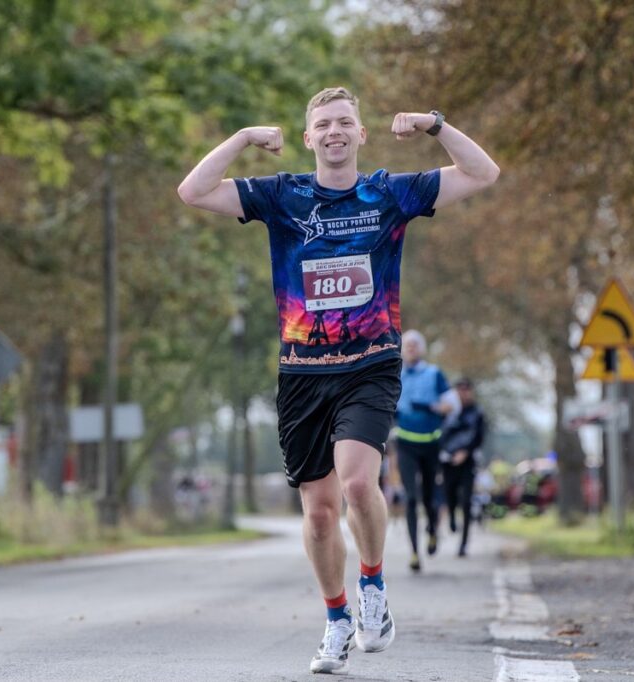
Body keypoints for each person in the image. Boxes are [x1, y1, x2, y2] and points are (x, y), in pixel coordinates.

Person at [177, 86, 499, 675]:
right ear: (308, 138)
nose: (334, 131)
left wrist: (435, 124)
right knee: (320, 513)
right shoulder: (282, 196)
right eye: (323, 123)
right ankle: (336, 619)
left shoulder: (389, 193)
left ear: (360, 133)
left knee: (356, 485)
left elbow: (482, 173)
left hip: (370, 365)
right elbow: (193, 191)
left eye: (344, 122)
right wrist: (245, 138)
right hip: (302, 374)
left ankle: (372, 586)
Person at [395, 330, 457, 572]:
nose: (410, 348)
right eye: (407, 345)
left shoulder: (434, 374)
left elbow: (451, 405)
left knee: (431, 497)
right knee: (410, 497)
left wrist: (433, 407)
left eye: (414, 345)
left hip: (431, 443)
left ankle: (432, 530)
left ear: (422, 349)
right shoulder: (395, 375)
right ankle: (413, 552)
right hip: (405, 443)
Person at [438, 377, 486, 556]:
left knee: (466, 501)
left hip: (468, 462)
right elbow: (440, 434)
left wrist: (465, 452)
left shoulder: (477, 412)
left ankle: (463, 544)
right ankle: (451, 516)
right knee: (449, 495)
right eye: (460, 390)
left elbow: (479, 436)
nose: (463, 394)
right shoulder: (448, 412)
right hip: (448, 461)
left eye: (466, 390)